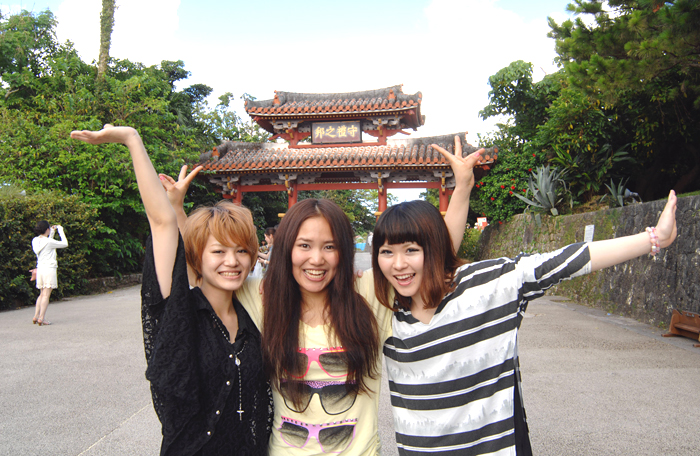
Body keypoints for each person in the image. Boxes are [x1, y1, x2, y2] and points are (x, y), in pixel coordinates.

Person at [161, 135, 485, 455]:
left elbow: (434, 259)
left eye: (329, 247)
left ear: (343, 252)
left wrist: (462, 187)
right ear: (287, 249)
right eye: (304, 245)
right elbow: (202, 264)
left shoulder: (369, 293)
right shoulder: (263, 297)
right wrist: (176, 210)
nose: (316, 259)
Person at [371, 190, 678, 455]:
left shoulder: (485, 286)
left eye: (411, 250)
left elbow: (562, 262)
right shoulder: (383, 307)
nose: (398, 264)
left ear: (435, 248)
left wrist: (652, 239)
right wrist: (462, 184)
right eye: (387, 252)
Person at [70, 125, 272, 456]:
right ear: (198, 257)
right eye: (218, 251)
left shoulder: (254, 312)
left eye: (241, 251)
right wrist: (132, 139)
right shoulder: (181, 312)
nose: (232, 261)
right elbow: (162, 223)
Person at [31, 221, 68, 326]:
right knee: (46, 295)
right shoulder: (49, 242)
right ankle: (41, 318)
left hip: (40, 269)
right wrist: (60, 230)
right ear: (47, 229)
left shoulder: (35, 240)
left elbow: (46, 242)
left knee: (41, 294)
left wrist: (51, 233)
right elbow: (65, 243)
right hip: (49, 269)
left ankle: (36, 316)